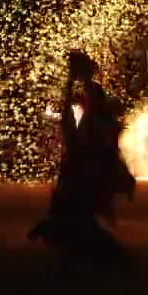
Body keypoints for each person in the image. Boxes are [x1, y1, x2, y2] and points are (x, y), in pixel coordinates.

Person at [29, 51, 135, 269]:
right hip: (81, 165)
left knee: (78, 218)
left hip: (83, 166)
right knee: (78, 218)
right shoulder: (84, 104)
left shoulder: (91, 105)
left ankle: (86, 255)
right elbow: (75, 124)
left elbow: (86, 128)